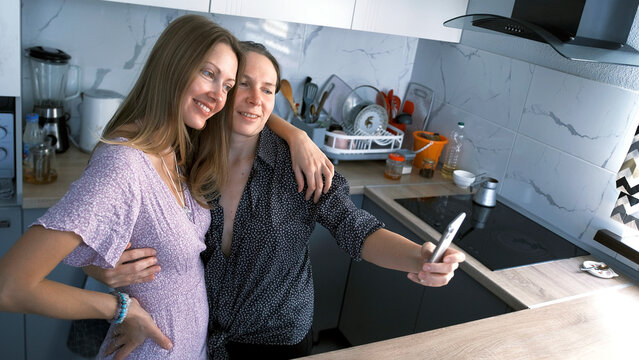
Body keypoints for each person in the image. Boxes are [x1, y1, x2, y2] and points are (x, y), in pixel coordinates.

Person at [96, 41, 466, 359]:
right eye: (243, 84)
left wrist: (418, 256)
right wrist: (104, 272)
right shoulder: (183, 156)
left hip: (278, 341)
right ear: (224, 88)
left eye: (269, 89)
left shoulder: (300, 166)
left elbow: (355, 229)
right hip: (199, 337)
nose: (256, 99)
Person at [0, 15, 333, 360]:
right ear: (173, 65)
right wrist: (120, 308)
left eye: (228, 86)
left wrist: (296, 134)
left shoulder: (181, 146)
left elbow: (252, 109)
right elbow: (10, 286)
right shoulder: (123, 165)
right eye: (208, 73)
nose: (219, 96)